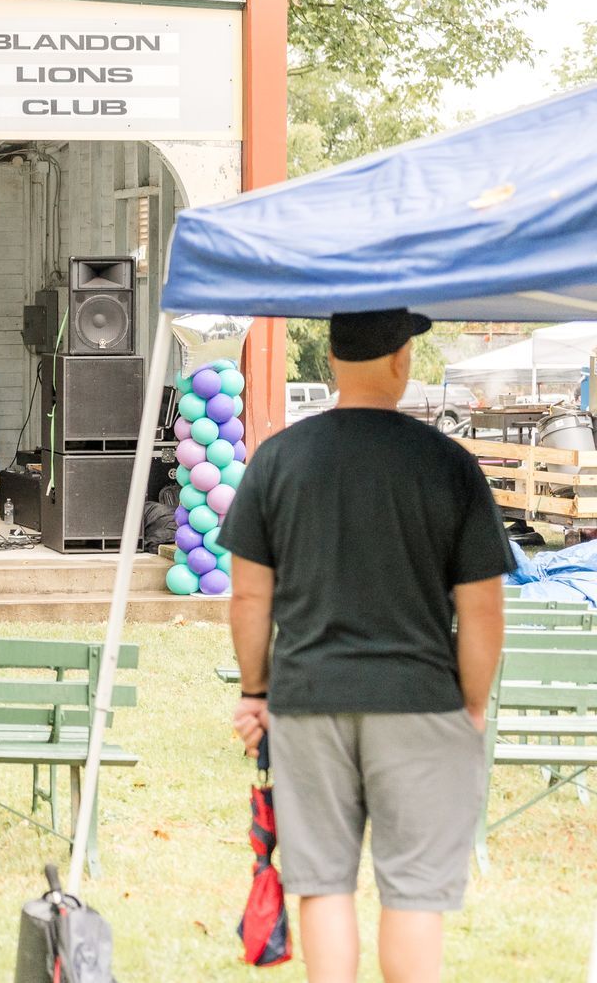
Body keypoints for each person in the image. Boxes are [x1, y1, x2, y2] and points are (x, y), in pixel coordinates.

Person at [223, 309, 511, 983]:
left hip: (308, 701)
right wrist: (469, 704)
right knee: (412, 894)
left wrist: (256, 691)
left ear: (330, 357)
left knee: (322, 886)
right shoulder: (449, 464)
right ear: (402, 360)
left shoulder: (278, 459)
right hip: (420, 702)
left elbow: (247, 598)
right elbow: (483, 609)